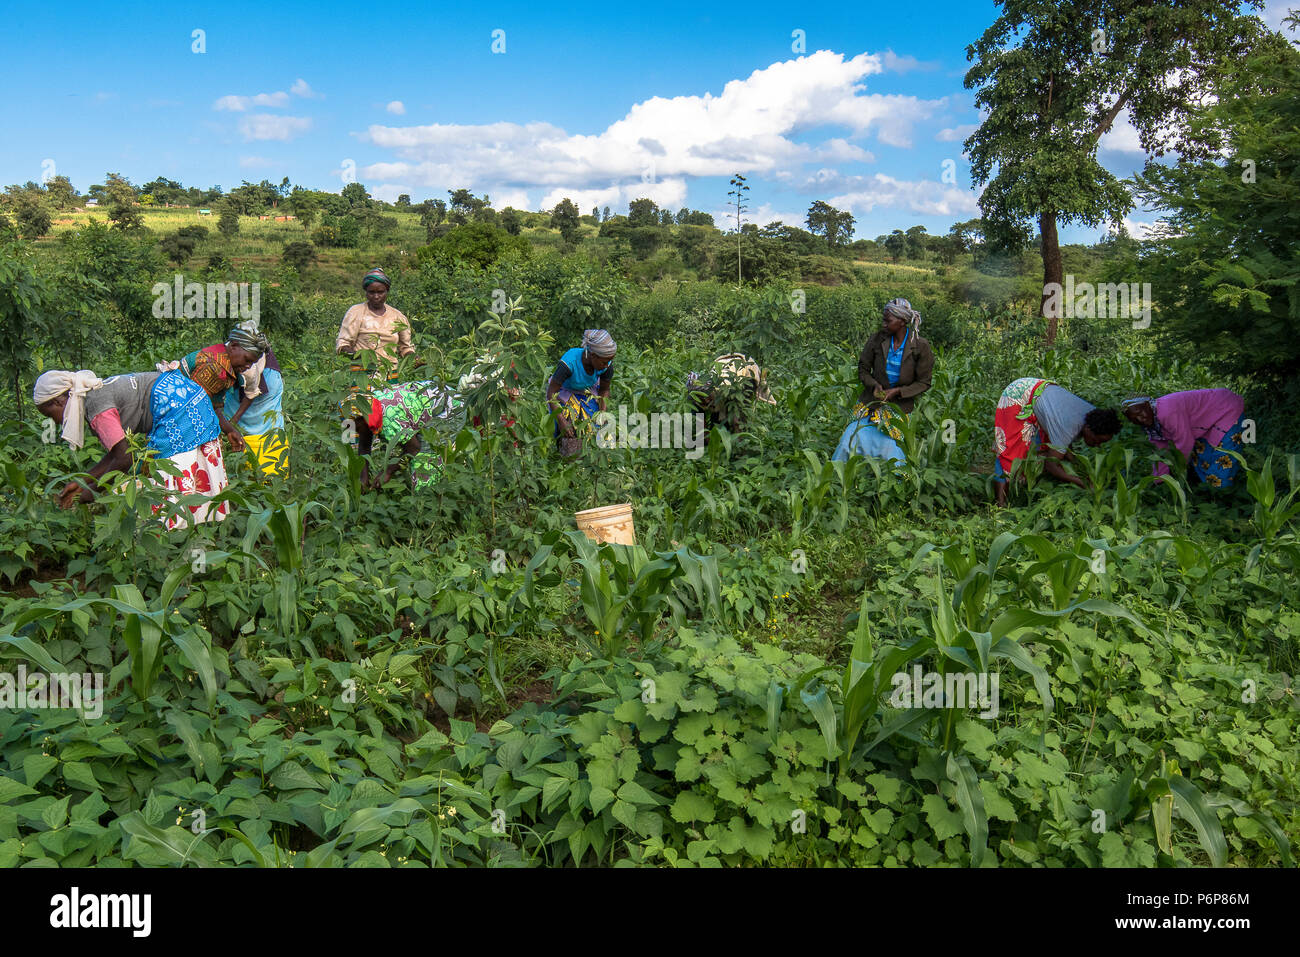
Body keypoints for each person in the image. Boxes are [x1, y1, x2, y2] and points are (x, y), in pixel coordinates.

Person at [33, 369, 229, 529]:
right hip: (188, 395)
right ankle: (201, 523)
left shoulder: (97, 407)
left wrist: (90, 493)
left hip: (177, 408)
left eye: (51, 415)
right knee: (174, 469)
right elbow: (116, 454)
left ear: (58, 402)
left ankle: (177, 531)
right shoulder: (92, 395)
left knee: (165, 471)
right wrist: (82, 482)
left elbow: (124, 459)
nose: (54, 421)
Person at [834, 298, 934, 464]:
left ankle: (894, 485)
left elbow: (924, 382)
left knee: (890, 451)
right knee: (848, 442)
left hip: (898, 408)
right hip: (870, 403)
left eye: (888, 321)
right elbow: (863, 369)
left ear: (902, 322)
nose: (884, 324)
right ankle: (841, 480)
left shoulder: (920, 346)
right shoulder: (877, 339)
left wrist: (897, 392)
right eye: (883, 320)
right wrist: (874, 385)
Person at [993, 377, 1120, 506]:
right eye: (1097, 440)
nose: (1097, 445)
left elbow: (1065, 449)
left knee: (1039, 449)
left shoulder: (1093, 416)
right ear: (1089, 429)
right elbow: (1051, 464)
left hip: (1040, 393)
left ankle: (1024, 490)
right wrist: (1081, 482)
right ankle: (1000, 505)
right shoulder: (1069, 425)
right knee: (1009, 452)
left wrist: (1082, 471)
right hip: (1019, 395)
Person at [157, 325, 269, 452]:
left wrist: (229, 430)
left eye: (252, 363)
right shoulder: (214, 368)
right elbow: (197, 408)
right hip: (170, 412)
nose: (248, 366)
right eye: (247, 360)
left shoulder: (223, 360)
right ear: (233, 346)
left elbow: (210, 405)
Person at [348, 380, 465, 491]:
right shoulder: (368, 408)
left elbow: (414, 449)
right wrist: (363, 479)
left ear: (364, 419)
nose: (356, 432)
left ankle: (427, 498)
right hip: (428, 400)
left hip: (450, 407)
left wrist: (388, 471)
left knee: (426, 456)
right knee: (403, 447)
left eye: (356, 428)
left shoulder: (390, 418)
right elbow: (364, 445)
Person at [1122, 389, 1247, 489]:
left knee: (1223, 453)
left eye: (1140, 412)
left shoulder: (1166, 412)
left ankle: (1221, 494)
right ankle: (1207, 487)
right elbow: (1159, 450)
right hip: (1207, 417)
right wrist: (1159, 479)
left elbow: (1185, 442)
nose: (1139, 419)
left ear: (1148, 405)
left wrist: (1178, 469)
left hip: (1226, 408)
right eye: (1134, 418)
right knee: (1204, 452)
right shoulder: (1151, 424)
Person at [547, 329, 616, 458]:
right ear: (593, 355)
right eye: (604, 362)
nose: (607, 366)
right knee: (570, 431)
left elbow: (604, 390)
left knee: (598, 428)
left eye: (609, 362)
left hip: (587, 392)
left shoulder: (606, 365)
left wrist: (602, 413)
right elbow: (551, 393)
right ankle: (570, 464)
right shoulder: (569, 363)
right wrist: (562, 421)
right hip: (563, 393)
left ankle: (592, 465)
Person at [224, 345, 288, 477]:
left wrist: (231, 425)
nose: (246, 366)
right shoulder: (222, 360)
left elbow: (251, 392)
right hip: (246, 425)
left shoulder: (252, 366)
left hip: (267, 432)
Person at [686, 353, 776, 443]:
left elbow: (736, 418)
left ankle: (743, 446)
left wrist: (738, 440)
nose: (705, 400)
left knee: (739, 417)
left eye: (706, 396)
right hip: (727, 373)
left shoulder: (723, 387)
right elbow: (701, 428)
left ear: (710, 391)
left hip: (745, 369)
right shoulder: (695, 402)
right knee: (717, 423)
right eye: (700, 398)